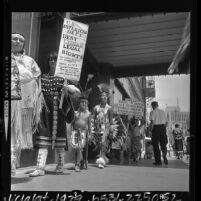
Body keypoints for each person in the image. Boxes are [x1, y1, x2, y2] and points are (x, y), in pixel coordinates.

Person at [29, 51, 80, 177]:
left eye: (55, 59)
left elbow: (75, 95)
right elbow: (37, 92)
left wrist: (68, 89)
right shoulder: (43, 77)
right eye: (51, 59)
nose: (52, 61)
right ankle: (40, 168)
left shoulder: (63, 79)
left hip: (59, 112)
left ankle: (60, 166)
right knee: (43, 138)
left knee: (60, 142)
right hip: (45, 113)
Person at [11, 33, 41, 176]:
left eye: (21, 40)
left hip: (24, 103)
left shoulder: (30, 61)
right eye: (14, 38)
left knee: (17, 133)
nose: (18, 41)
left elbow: (36, 77)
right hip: (8, 101)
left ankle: (12, 162)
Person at [91, 83, 114, 169]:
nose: (103, 98)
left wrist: (111, 130)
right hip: (97, 128)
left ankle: (101, 161)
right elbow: (92, 117)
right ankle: (103, 157)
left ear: (107, 98)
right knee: (99, 145)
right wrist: (91, 125)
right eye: (102, 96)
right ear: (99, 97)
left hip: (106, 128)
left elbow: (111, 121)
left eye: (105, 96)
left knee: (103, 143)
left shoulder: (110, 108)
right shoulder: (95, 107)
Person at [70, 89, 92, 172]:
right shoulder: (75, 113)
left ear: (87, 104)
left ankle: (78, 164)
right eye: (82, 102)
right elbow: (72, 124)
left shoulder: (88, 114)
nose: (84, 104)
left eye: (85, 103)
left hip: (83, 133)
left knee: (79, 148)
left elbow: (89, 125)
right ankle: (78, 162)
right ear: (79, 103)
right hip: (75, 132)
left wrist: (90, 134)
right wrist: (72, 132)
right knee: (77, 148)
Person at [149, 101, 168, 165]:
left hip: (156, 128)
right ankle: (164, 154)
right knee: (163, 143)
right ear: (157, 105)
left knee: (156, 145)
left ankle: (158, 161)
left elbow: (152, 123)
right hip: (163, 128)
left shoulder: (152, 112)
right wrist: (164, 128)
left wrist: (150, 130)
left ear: (152, 106)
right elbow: (166, 122)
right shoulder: (163, 112)